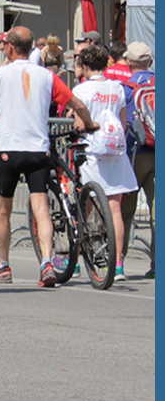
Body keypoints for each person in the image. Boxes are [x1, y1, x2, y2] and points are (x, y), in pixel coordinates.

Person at [0, 26, 97, 287]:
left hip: (8, 150)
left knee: (3, 211)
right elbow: (77, 104)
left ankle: (3, 265)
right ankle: (46, 263)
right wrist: (89, 124)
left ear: (10, 47)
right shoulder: (47, 76)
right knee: (41, 209)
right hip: (37, 150)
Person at [71, 44, 138, 281]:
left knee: (84, 207)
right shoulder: (117, 88)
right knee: (114, 208)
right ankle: (117, 264)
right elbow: (123, 122)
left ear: (85, 66)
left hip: (92, 152)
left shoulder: (82, 89)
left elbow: (79, 126)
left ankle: (77, 260)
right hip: (116, 153)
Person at [120, 42, 155, 280]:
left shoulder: (126, 89)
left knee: (124, 211)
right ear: (150, 62)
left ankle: (118, 263)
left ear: (129, 62)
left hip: (134, 154)